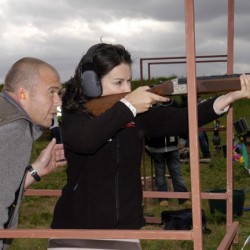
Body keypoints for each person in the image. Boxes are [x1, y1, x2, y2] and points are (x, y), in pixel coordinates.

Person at [49, 42, 250, 250]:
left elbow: (183, 119)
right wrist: (128, 106)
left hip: (125, 230)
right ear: (91, 83)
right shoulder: (75, 114)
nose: (127, 89)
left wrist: (228, 97)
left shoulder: (137, 113)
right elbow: (86, 140)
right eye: (118, 82)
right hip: (75, 231)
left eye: (128, 81)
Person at [0, 57, 67, 250]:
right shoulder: (16, 129)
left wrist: (35, 170)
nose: (58, 102)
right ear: (23, 94)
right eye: (52, 92)